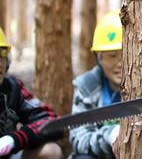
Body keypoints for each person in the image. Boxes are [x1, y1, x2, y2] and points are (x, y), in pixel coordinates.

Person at [0, 27, 63, 159]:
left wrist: (14, 140)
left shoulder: (12, 88)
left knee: (51, 151)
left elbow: (50, 120)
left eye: (1, 55)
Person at [69, 10, 122, 159]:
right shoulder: (86, 86)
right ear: (100, 58)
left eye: (126, 55)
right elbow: (78, 138)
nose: (120, 63)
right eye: (112, 56)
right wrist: (109, 136)